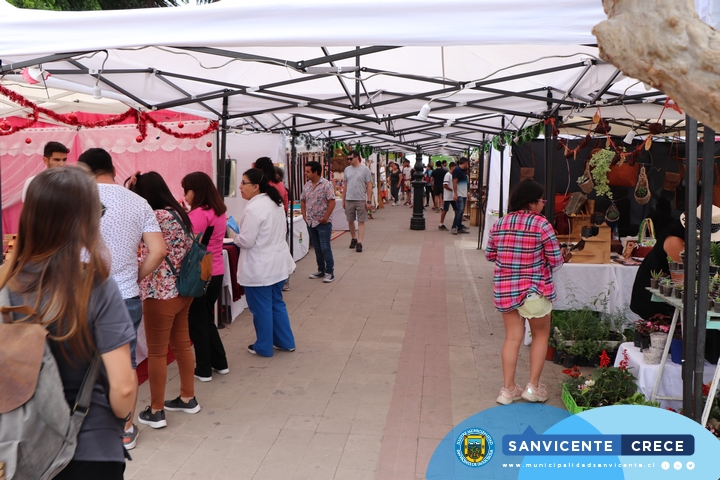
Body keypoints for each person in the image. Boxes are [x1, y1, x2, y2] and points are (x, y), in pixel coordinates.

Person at [3, 166, 137, 479]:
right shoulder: (97, 286)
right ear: (85, 220)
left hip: (21, 447)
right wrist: (122, 418)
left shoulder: (5, 285)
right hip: (92, 446)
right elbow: (123, 386)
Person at [78, 148, 166, 450]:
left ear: (85, 169)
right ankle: (126, 430)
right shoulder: (138, 201)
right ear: (112, 168)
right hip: (124, 295)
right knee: (124, 363)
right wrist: (135, 276)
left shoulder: (76, 199)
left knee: (81, 361)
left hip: (81, 293)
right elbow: (159, 250)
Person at [485, 179, 568, 405]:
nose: (543, 204)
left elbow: (490, 255)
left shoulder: (500, 223)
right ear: (531, 202)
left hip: (505, 289)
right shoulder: (542, 225)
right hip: (534, 289)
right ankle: (532, 387)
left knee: (512, 337)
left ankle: (508, 389)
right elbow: (555, 259)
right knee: (540, 335)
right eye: (541, 200)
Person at [130, 172, 200, 429]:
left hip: (161, 292)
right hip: (183, 289)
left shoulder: (154, 216)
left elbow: (145, 249)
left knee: (157, 352)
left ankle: (157, 410)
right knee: (182, 344)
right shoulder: (176, 212)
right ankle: (187, 397)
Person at [234, 168, 296, 357]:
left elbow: (247, 241)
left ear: (255, 186)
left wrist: (234, 236)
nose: (240, 187)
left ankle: (264, 346)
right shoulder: (274, 203)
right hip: (276, 264)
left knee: (262, 308)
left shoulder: (254, 208)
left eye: (244, 183)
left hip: (261, 267)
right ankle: (286, 342)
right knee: (276, 303)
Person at [181, 172, 229, 382]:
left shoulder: (199, 214)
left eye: (186, 191)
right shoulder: (218, 211)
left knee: (197, 321)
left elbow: (186, 243)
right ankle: (220, 362)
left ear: (196, 191)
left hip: (200, 273)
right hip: (216, 270)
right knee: (206, 318)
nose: (185, 195)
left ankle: (203, 369)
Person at [301, 160, 336, 283]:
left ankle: (330, 272)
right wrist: (304, 215)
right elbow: (303, 200)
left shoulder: (326, 185)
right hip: (311, 222)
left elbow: (332, 201)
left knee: (325, 247)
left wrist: (326, 217)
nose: (305, 173)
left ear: (315, 172)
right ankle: (321, 270)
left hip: (323, 223)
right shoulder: (307, 185)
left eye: (308, 171)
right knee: (317, 247)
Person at [342, 150, 373, 253]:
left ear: (357, 157)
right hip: (349, 199)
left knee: (361, 221)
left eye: (350, 158)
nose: (349, 160)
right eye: (348, 159)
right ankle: (353, 238)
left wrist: (368, 201)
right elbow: (345, 185)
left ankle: (360, 242)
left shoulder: (365, 170)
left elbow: (369, 185)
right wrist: (343, 199)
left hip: (360, 199)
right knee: (350, 220)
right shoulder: (347, 170)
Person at [452, 157, 470, 235]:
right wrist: (455, 194)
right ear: (465, 163)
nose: (468, 165)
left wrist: (467, 193)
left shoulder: (463, 171)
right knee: (459, 211)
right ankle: (454, 226)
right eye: (467, 163)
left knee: (461, 211)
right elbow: (454, 182)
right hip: (459, 194)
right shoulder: (457, 170)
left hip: (463, 194)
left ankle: (459, 226)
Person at [439, 162, 456, 230]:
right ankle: (441, 223)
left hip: (452, 196)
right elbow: (444, 185)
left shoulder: (453, 175)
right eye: (455, 167)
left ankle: (455, 223)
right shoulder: (448, 175)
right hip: (448, 196)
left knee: (456, 209)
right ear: (451, 167)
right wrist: (452, 189)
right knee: (445, 210)